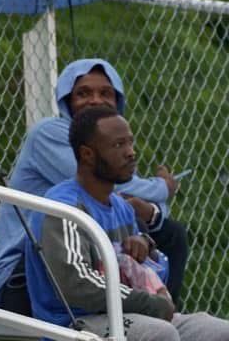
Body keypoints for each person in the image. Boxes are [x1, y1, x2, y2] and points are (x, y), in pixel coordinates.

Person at [0, 58, 189, 315]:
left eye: (106, 93)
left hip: (87, 258)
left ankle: (162, 309)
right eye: (83, 93)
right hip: (24, 273)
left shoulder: (110, 143)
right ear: (66, 101)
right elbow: (126, 189)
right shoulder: (50, 133)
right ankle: (153, 312)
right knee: (147, 228)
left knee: (170, 233)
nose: (95, 100)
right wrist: (163, 188)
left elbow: (127, 195)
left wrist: (153, 211)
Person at [25, 105, 229, 340]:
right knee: (160, 333)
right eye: (118, 145)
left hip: (128, 313)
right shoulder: (63, 208)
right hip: (74, 323)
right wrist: (149, 304)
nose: (131, 152)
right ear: (87, 154)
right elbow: (77, 284)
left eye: (130, 142)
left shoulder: (120, 206)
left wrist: (147, 248)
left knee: (220, 331)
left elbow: (152, 275)